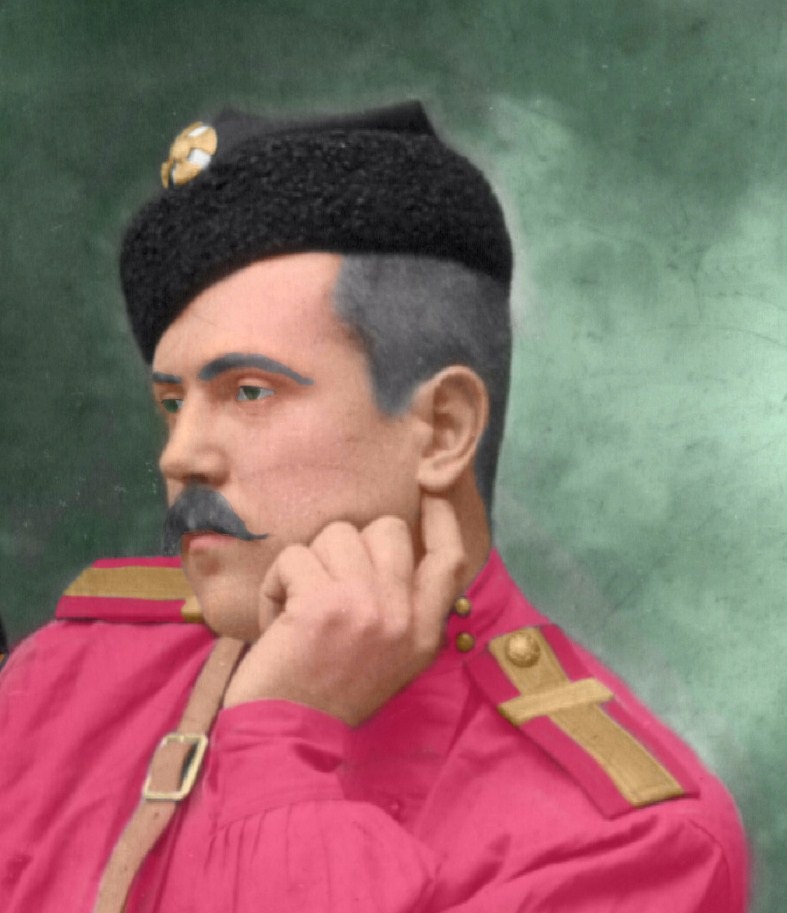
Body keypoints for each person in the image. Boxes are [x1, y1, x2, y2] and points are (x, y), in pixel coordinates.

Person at [0, 101, 748, 912]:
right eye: (174, 403)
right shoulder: (70, 677)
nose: (179, 455)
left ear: (443, 429)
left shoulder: (631, 844)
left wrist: (278, 737)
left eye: (248, 391)